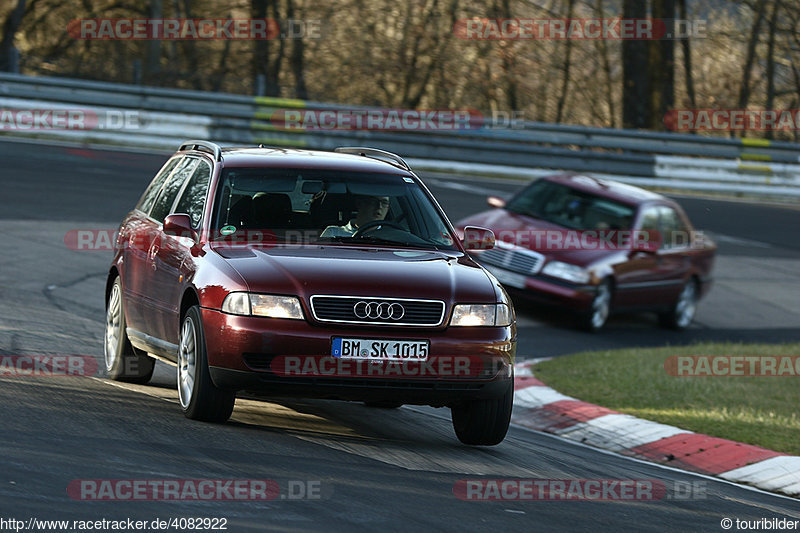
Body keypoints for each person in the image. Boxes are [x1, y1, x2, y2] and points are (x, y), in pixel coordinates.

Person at [320, 195, 390, 237]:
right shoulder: (333, 232)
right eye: (373, 202)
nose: (379, 206)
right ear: (360, 204)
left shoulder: (392, 236)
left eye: (384, 203)